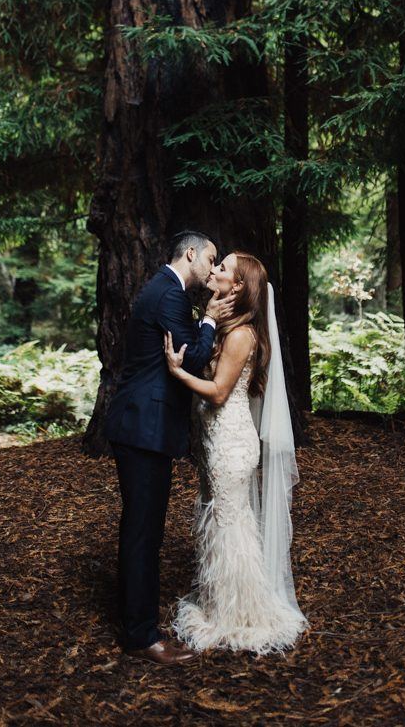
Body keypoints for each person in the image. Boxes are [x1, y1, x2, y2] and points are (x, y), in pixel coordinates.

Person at [164, 251, 308, 655]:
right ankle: (220, 603)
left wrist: (178, 373)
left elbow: (220, 391)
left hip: (231, 441)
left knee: (230, 524)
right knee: (220, 519)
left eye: (222, 268)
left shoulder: (243, 334)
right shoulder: (228, 325)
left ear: (240, 286)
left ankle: (241, 614)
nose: (214, 271)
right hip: (215, 440)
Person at [104, 230, 234, 665]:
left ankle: (137, 624)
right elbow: (191, 358)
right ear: (191, 254)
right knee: (143, 533)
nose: (213, 269)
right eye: (211, 259)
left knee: (143, 530)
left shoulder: (164, 289)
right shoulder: (170, 296)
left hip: (142, 426)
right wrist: (211, 318)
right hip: (144, 428)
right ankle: (141, 636)